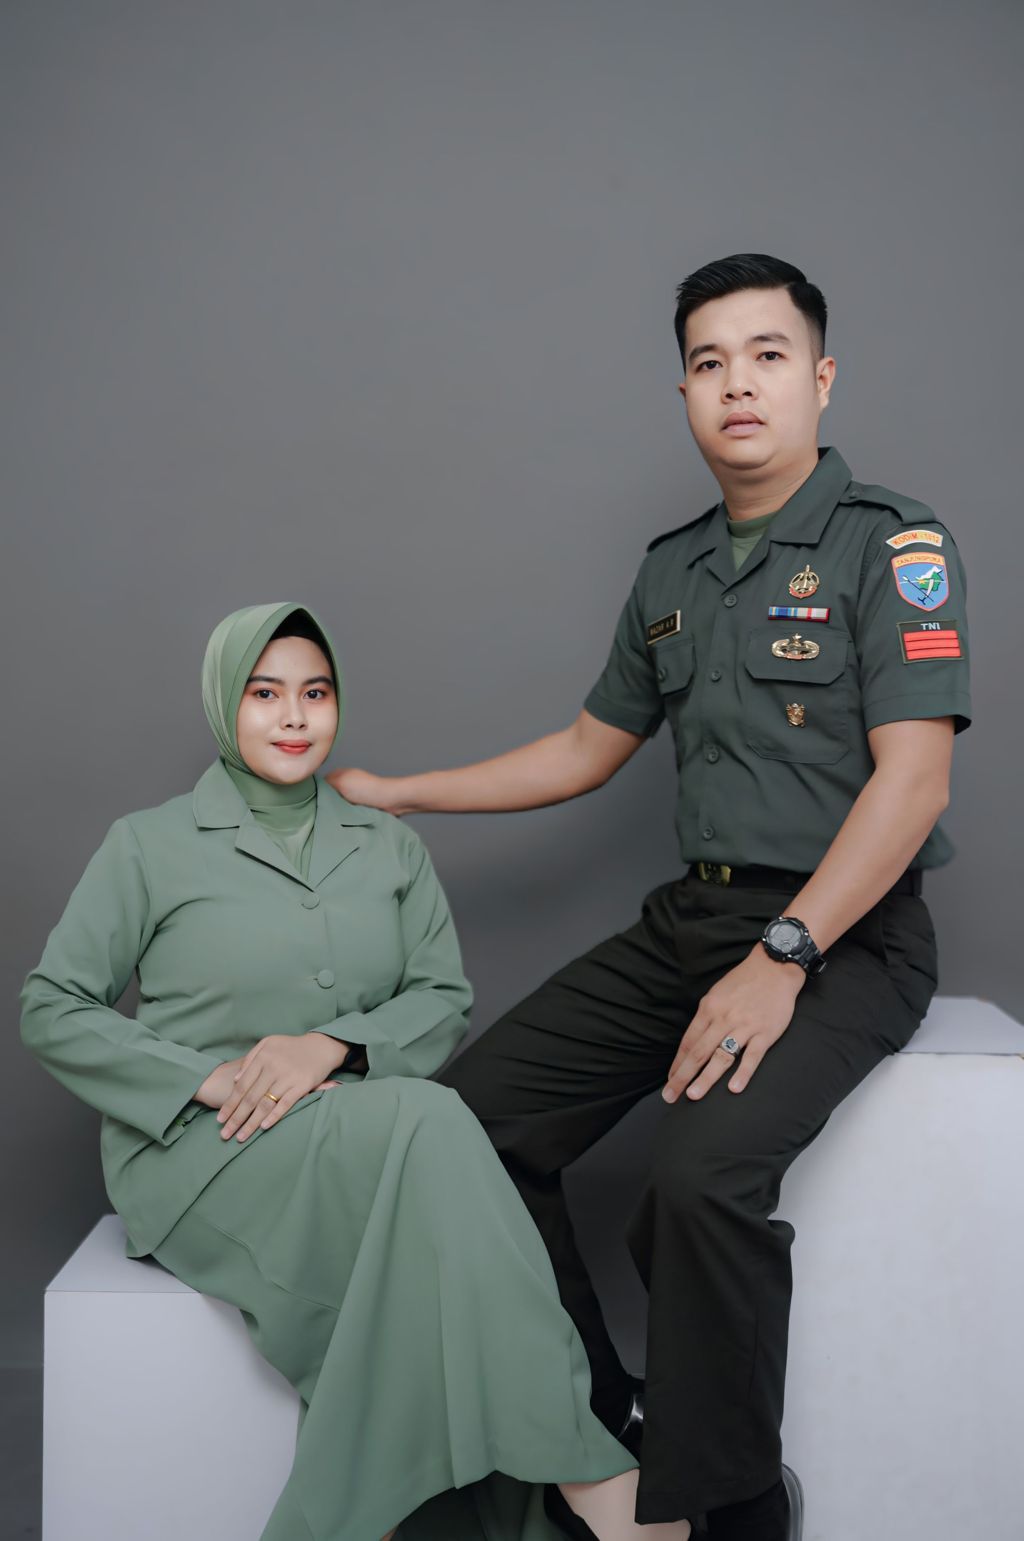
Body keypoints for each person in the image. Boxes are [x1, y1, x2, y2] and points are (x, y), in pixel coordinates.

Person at [327, 253, 972, 1540]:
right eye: (708, 362)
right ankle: (598, 1419)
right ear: (682, 392)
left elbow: (913, 783)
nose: (738, 383)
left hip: (846, 934)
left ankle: (735, 1502)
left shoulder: (892, 544)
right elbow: (585, 748)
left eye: (767, 355)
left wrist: (783, 954)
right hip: (693, 920)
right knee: (467, 1126)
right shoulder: (671, 571)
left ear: (821, 378)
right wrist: (403, 789)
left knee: (695, 1180)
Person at [22, 601, 696, 1541]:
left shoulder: (388, 843)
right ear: (224, 701)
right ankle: (592, 1474)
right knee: (435, 1117)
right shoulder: (148, 844)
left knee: (418, 1185)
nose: (294, 717)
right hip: (202, 1150)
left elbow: (442, 996)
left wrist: (334, 1045)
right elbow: (51, 1004)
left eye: (316, 693)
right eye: (265, 694)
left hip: (359, 1147)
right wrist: (206, 1081)